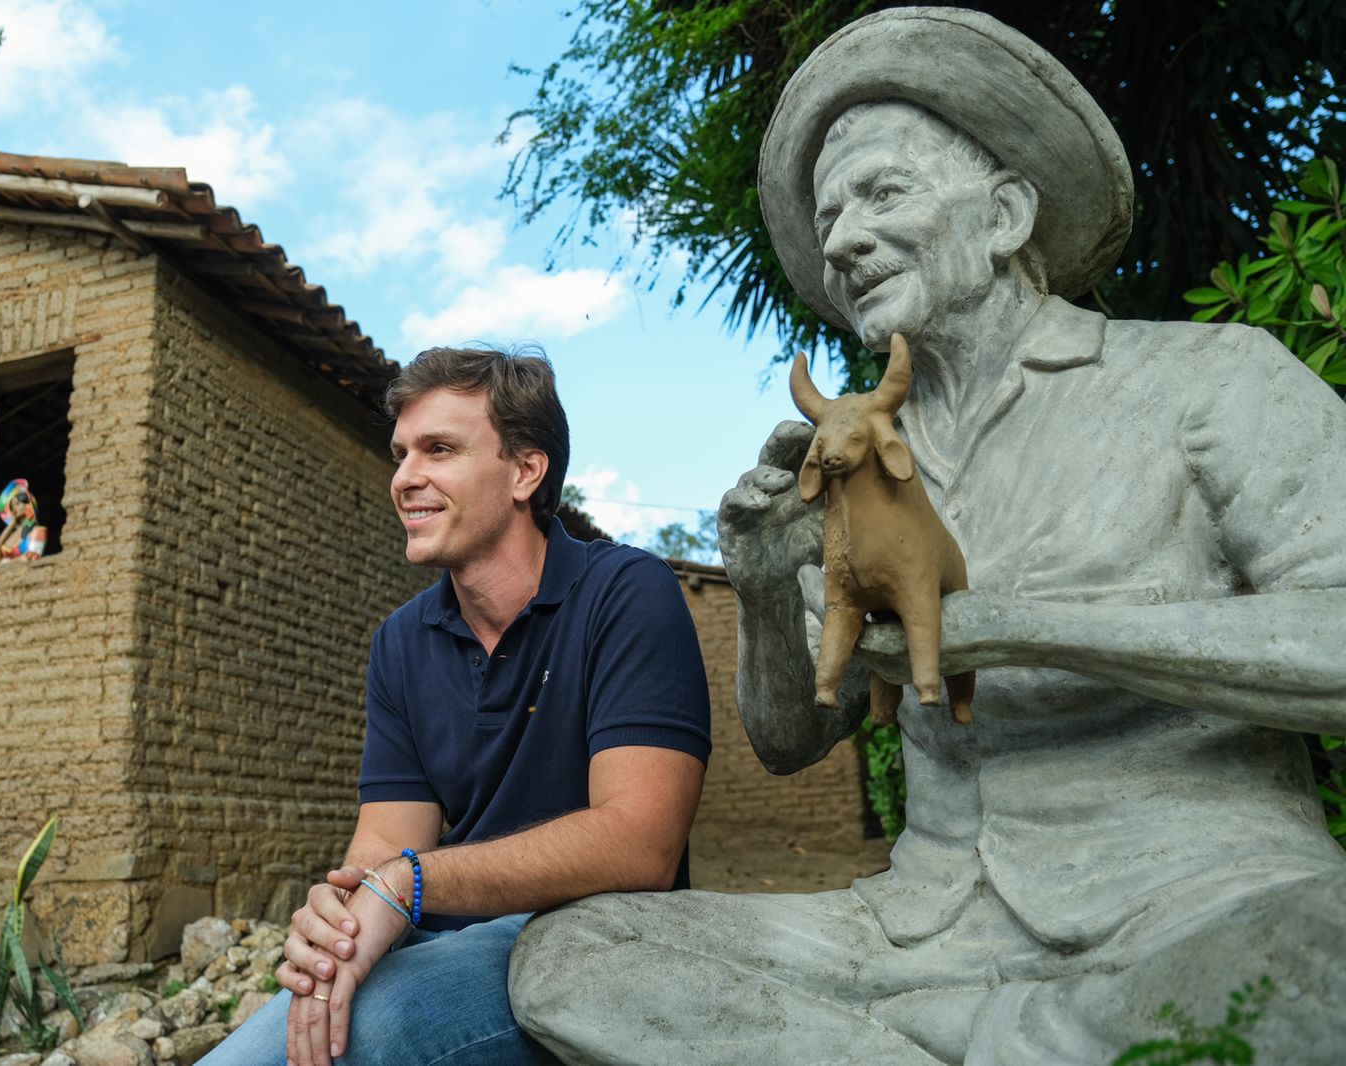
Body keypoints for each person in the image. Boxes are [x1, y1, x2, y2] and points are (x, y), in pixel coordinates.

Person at [508, 9, 1346, 1064]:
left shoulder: (1209, 379)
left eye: (883, 193)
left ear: (1002, 216)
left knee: (1317, 964)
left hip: (1200, 909)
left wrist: (1003, 629)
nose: (842, 239)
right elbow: (789, 740)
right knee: (580, 956)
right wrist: (766, 586)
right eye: (829, 216)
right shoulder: (851, 456)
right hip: (914, 935)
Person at [201, 347, 711, 1066]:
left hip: (594, 946)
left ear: (524, 472)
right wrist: (337, 933)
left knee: (367, 1040)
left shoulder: (628, 593)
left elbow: (642, 844)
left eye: (439, 449)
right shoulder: (402, 641)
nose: (406, 478)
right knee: (265, 1046)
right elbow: (383, 842)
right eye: (401, 454)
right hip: (443, 940)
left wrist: (412, 882)